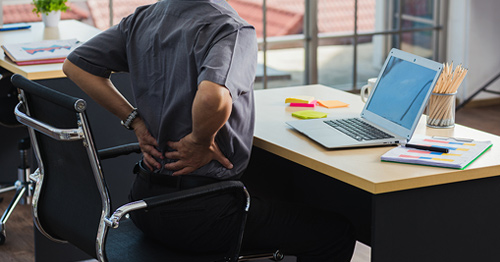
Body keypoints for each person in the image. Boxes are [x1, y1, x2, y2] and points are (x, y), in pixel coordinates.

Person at [63, 0, 355, 261]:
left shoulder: (144, 18)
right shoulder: (230, 28)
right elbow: (213, 96)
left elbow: (76, 65)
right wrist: (199, 141)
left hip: (144, 205)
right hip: (202, 216)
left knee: (275, 199)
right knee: (335, 233)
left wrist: (134, 121)